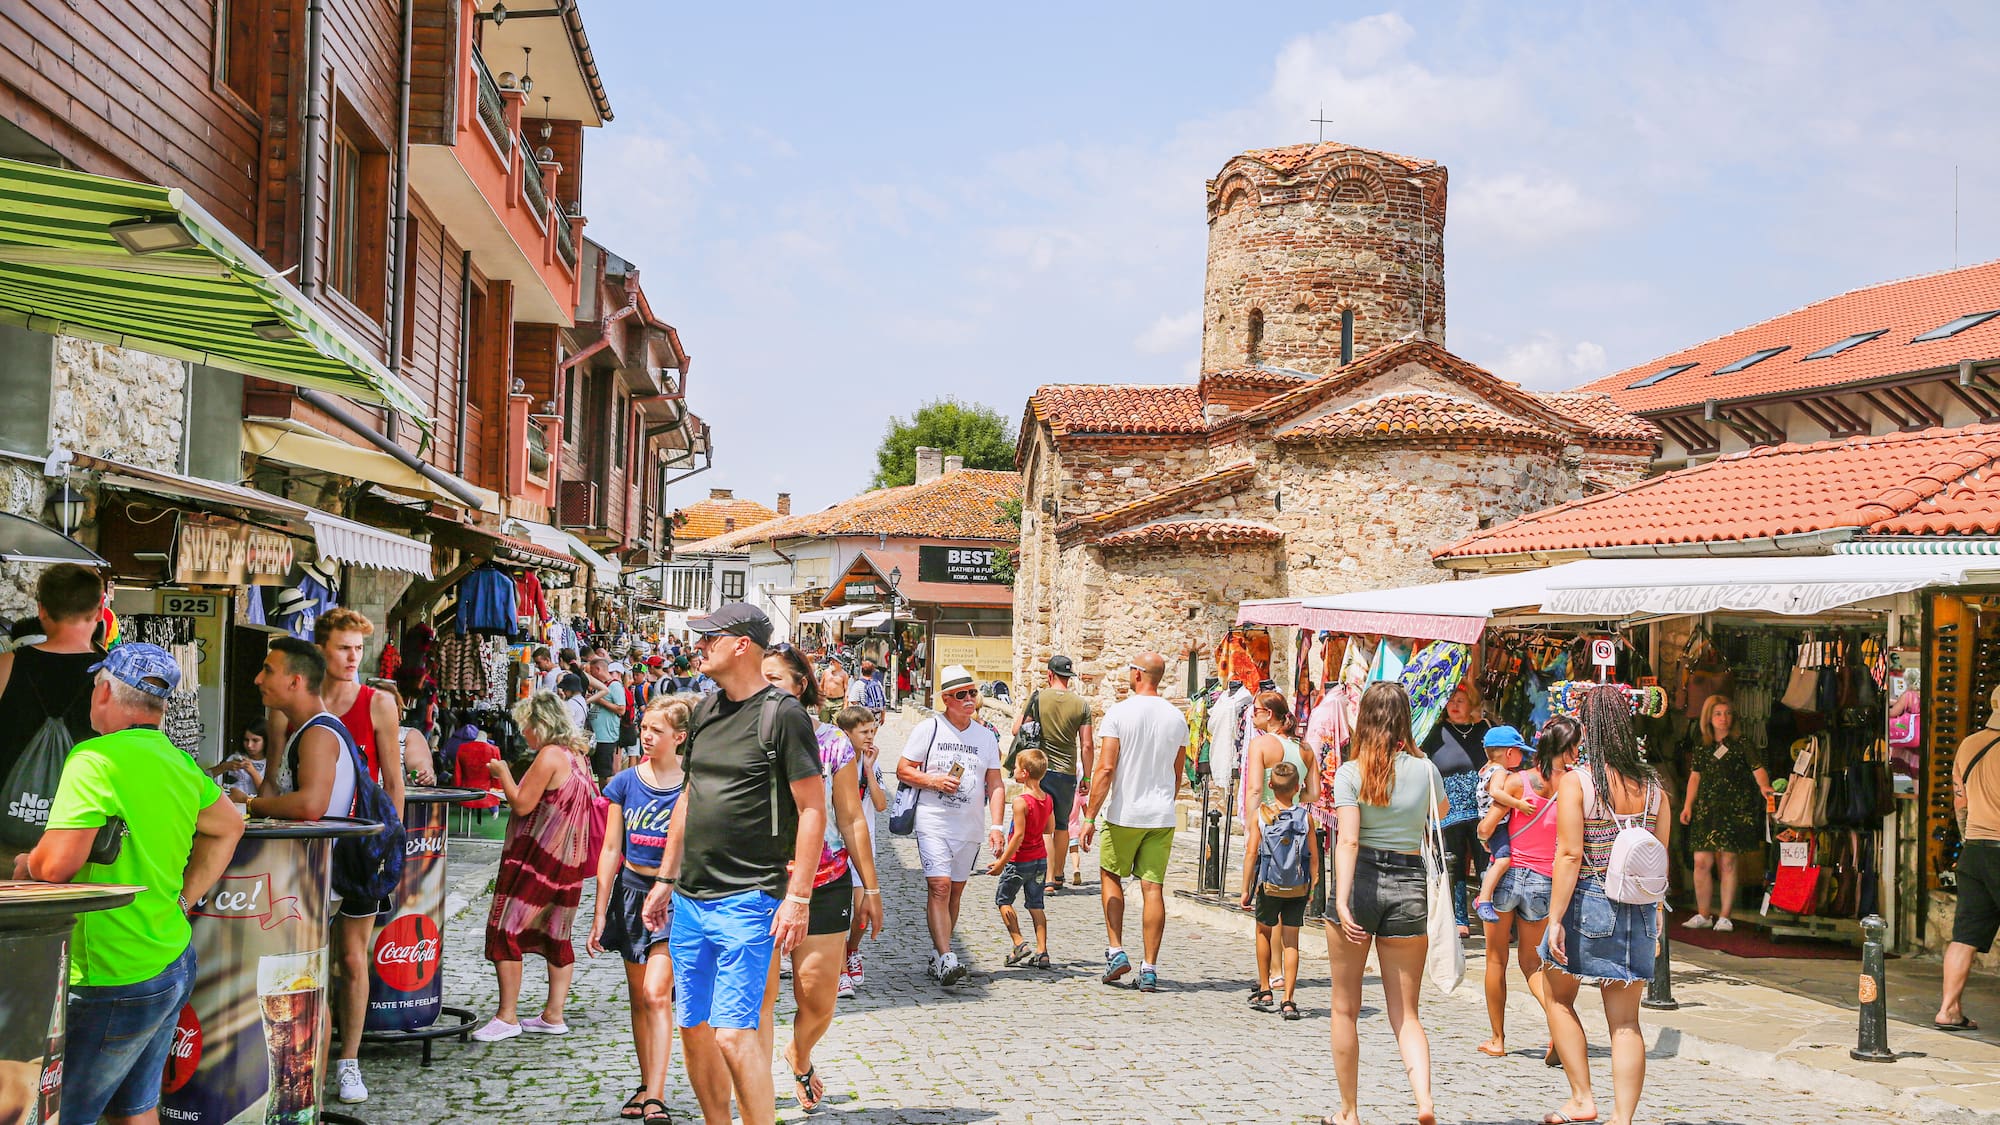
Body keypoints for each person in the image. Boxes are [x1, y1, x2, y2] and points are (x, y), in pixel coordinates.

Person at [12, 643, 244, 1125]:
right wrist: (185, 898)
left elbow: (55, 868)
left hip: (109, 973)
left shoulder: (94, 759)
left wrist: (26, 861)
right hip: (169, 959)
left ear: (103, 691)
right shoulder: (180, 763)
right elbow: (229, 825)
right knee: (134, 1111)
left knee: (60, 1114)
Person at [639, 603, 826, 1125]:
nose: (698, 646)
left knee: (734, 1033)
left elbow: (814, 808)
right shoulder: (702, 712)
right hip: (691, 898)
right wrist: (665, 878)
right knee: (695, 1027)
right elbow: (688, 797)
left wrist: (799, 897)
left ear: (741, 644)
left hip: (751, 896)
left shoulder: (782, 714)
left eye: (708, 638)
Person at [259, 607, 402, 1102]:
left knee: (350, 958)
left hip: (354, 856)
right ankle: (310, 1061)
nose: (352, 657)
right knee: (312, 961)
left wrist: (389, 844)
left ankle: (347, 1062)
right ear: (321, 653)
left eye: (358, 649)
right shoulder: (289, 714)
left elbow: (391, 781)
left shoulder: (375, 703)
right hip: (309, 861)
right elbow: (277, 777)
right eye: (344, 647)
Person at [1541, 685, 1670, 1125]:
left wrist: (1555, 918)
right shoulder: (1654, 787)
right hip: (1639, 908)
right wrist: (1656, 921)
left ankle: (1581, 1097)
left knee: (1556, 995)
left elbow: (1569, 855)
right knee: (1626, 1021)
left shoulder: (1580, 781)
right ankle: (1623, 1118)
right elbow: (1660, 865)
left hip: (1590, 902)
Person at [762, 644, 883, 1113]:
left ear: (800, 687)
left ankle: (800, 1053)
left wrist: (869, 888)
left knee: (817, 998)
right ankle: (755, 1097)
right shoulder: (741, 735)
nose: (764, 688)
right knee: (759, 998)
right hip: (760, 878)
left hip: (825, 878)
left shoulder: (832, 741)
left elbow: (851, 818)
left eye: (774, 679)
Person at [1326, 681, 1445, 1125]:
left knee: (1344, 1007)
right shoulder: (1426, 768)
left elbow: (1349, 839)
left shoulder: (1351, 772)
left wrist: (1340, 900)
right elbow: (1443, 813)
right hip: (1409, 882)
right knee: (1407, 1012)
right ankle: (1424, 1102)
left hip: (1360, 883)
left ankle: (1350, 1112)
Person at [474, 690, 600, 1043]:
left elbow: (522, 804)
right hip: (569, 860)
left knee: (505, 929)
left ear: (540, 724)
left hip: (538, 859)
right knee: (556, 934)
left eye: (526, 726)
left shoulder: (548, 756)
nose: (523, 734)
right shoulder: (578, 756)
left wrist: (501, 773)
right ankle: (553, 1014)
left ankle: (507, 1016)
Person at [591, 694, 689, 1125]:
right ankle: (648, 1082)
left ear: (680, 737)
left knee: (656, 994)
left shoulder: (693, 785)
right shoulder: (625, 783)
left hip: (673, 897)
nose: (647, 737)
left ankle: (657, 1096)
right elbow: (611, 848)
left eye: (657, 731)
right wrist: (598, 912)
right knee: (638, 999)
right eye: (644, 728)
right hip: (630, 892)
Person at [1079, 652, 1189, 992]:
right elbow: (1177, 772)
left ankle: (1115, 950)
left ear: (1138, 674)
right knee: (1152, 888)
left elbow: (1106, 769)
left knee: (1111, 875)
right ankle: (1150, 967)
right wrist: (1164, 804)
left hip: (1125, 813)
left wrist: (1089, 816)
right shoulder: (1177, 718)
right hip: (1161, 815)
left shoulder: (1119, 713)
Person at [1476, 715, 1577, 1062]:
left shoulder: (1518, 782)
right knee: (1533, 964)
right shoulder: (1572, 787)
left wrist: (1486, 837)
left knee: (1495, 959)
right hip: (1543, 881)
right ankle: (1557, 1026)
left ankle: (1497, 1039)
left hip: (1505, 876)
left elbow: (1487, 828)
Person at [897, 664, 1005, 986]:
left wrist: (997, 827)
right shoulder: (929, 729)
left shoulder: (986, 737)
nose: (970, 699)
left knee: (955, 891)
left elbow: (996, 784)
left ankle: (938, 953)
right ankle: (947, 956)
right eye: (962, 694)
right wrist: (932, 780)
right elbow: (903, 770)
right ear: (946, 698)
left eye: (973, 693)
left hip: (969, 826)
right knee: (940, 886)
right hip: (933, 821)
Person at [0, 563, 105, 847]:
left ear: (42, 610)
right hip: (78, 841)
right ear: (98, 611)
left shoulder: (8, 665)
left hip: (8, 832)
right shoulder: (111, 677)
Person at [1679, 695, 1773, 933]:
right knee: (1702, 861)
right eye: (1718, 714)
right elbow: (1695, 776)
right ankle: (1703, 913)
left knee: (1728, 861)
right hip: (1707, 809)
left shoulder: (1742, 743)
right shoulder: (1702, 745)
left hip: (1734, 809)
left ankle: (1725, 916)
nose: (1724, 719)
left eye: (1727, 713)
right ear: (1709, 718)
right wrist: (1688, 805)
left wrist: (1764, 788)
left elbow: (1757, 768)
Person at [1936, 685, 2000, 1032]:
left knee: (1965, 936)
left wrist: (1969, 836)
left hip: (1975, 850)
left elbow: (1960, 802)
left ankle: (1948, 1009)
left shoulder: (1969, 744)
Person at [1008, 655, 1093, 891]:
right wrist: (1086, 776)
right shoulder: (1081, 705)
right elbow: (1086, 745)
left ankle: (1045, 878)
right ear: (1070, 677)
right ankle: (1058, 875)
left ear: (1049, 674)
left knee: (1045, 824)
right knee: (1063, 825)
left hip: (1041, 770)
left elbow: (1017, 729)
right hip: (1067, 773)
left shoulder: (1038, 698)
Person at [1240, 760, 1316, 1019]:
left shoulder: (1261, 815)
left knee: (1263, 931)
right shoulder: (1306, 818)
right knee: (1291, 941)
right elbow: (1314, 856)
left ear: (1270, 786)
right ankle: (1289, 999)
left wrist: (1245, 889)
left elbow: (1251, 854)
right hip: (1297, 886)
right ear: (1297, 787)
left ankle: (1265, 988)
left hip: (1268, 885)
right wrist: (1313, 884)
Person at [1422, 682, 1491, 937]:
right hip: (1448, 808)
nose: (1454, 705)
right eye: (1450, 700)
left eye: (1460, 700)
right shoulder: (1436, 731)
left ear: (1471, 703)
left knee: (1486, 861)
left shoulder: (1484, 729)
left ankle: (1490, 914)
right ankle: (1460, 919)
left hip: (1481, 808)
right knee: (1454, 864)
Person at [1240, 691, 1315, 910]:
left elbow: (1255, 789)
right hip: (1295, 824)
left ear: (1269, 714)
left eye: (1255, 712)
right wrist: (1294, 796)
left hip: (1267, 821)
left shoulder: (1260, 744)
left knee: (1268, 904)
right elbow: (1314, 793)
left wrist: (1249, 827)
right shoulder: (1305, 748)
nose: (1252, 717)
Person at [837, 704, 889, 996]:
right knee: (835, 912)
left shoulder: (869, 762)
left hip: (862, 844)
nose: (870, 737)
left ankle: (851, 950)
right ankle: (840, 972)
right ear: (846, 733)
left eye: (873, 731)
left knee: (860, 913)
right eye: (864, 732)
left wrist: (869, 768)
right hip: (836, 846)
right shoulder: (835, 761)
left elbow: (881, 804)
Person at [990, 746, 1055, 970]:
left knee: (1004, 900)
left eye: (1016, 767)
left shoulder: (1021, 802)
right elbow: (1049, 828)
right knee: (1036, 905)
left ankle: (1019, 943)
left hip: (1020, 860)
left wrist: (1001, 863)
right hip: (1040, 861)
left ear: (1025, 773)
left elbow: (1017, 836)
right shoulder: (1047, 799)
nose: (1013, 770)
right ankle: (1042, 951)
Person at [1471, 725, 1535, 925]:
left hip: (1488, 823)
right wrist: (1519, 804)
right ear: (1509, 752)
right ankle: (1484, 900)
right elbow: (1496, 793)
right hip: (1497, 825)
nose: (1522, 757)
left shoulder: (1485, 769)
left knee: (1495, 859)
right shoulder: (1500, 772)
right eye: (1520, 752)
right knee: (1503, 861)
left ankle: (1484, 894)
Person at [586, 656, 630, 783]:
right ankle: (602, 800)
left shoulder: (614, 686)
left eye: (592, 671)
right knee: (600, 773)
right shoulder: (602, 686)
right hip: (598, 737)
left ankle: (608, 800)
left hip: (606, 737)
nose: (591, 675)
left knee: (606, 773)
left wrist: (599, 700)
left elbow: (621, 709)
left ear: (598, 669)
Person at [209, 717, 269, 802]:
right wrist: (223, 767)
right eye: (246, 740)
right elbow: (204, 776)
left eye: (255, 740)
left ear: (266, 741)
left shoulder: (271, 763)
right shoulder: (233, 758)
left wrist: (252, 772)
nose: (249, 745)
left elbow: (268, 794)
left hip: (255, 808)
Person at [817, 657, 849, 724]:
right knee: (823, 724)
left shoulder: (844, 674)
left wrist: (845, 705)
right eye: (831, 661)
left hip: (838, 703)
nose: (831, 662)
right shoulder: (826, 672)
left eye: (834, 661)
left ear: (839, 663)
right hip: (825, 701)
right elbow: (821, 687)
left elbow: (846, 691)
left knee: (837, 724)